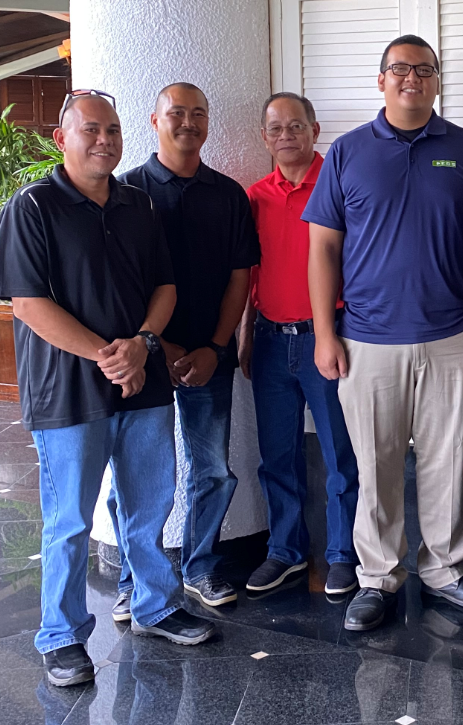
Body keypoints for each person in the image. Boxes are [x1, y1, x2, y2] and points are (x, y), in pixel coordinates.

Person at [0, 91, 214, 687]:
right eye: (91, 130)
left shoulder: (138, 205)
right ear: (62, 138)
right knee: (68, 520)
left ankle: (155, 604)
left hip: (141, 384)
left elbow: (165, 288)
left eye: (113, 130)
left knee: (149, 506)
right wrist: (109, 355)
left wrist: (142, 345)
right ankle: (62, 636)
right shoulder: (34, 205)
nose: (105, 140)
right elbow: (28, 304)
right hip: (68, 392)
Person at [304, 35, 463, 632]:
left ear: (437, 81)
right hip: (365, 338)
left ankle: (444, 570)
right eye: (399, 69)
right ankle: (377, 577)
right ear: (381, 80)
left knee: (444, 461)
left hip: (449, 336)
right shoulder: (348, 151)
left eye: (423, 70)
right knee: (376, 463)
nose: (411, 78)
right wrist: (324, 334)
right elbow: (322, 249)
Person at [111, 82, 260, 610]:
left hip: (209, 359)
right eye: (177, 113)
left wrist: (215, 348)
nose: (188, 123)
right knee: (137, 476)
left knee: (213, 471)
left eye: (199, 113)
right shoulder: (125, 192)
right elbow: (122, 287)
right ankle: (132, 582)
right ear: (154, 121)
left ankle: (200, 567)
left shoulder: (228, 195)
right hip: (145, 360)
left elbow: (240, 279)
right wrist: (164, 348)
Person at [238, 92, 360, 596]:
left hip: (326, 336)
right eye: (275, 128)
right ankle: (286, 551)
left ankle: (342, 555)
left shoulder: (338, 184)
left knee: (340, 455)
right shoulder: (255, 196)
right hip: (269, 341)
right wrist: (245, 331)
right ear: (264, 137)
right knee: (277, 456)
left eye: (295, 126)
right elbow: (249, 270)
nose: (285, 135)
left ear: (314, 128)